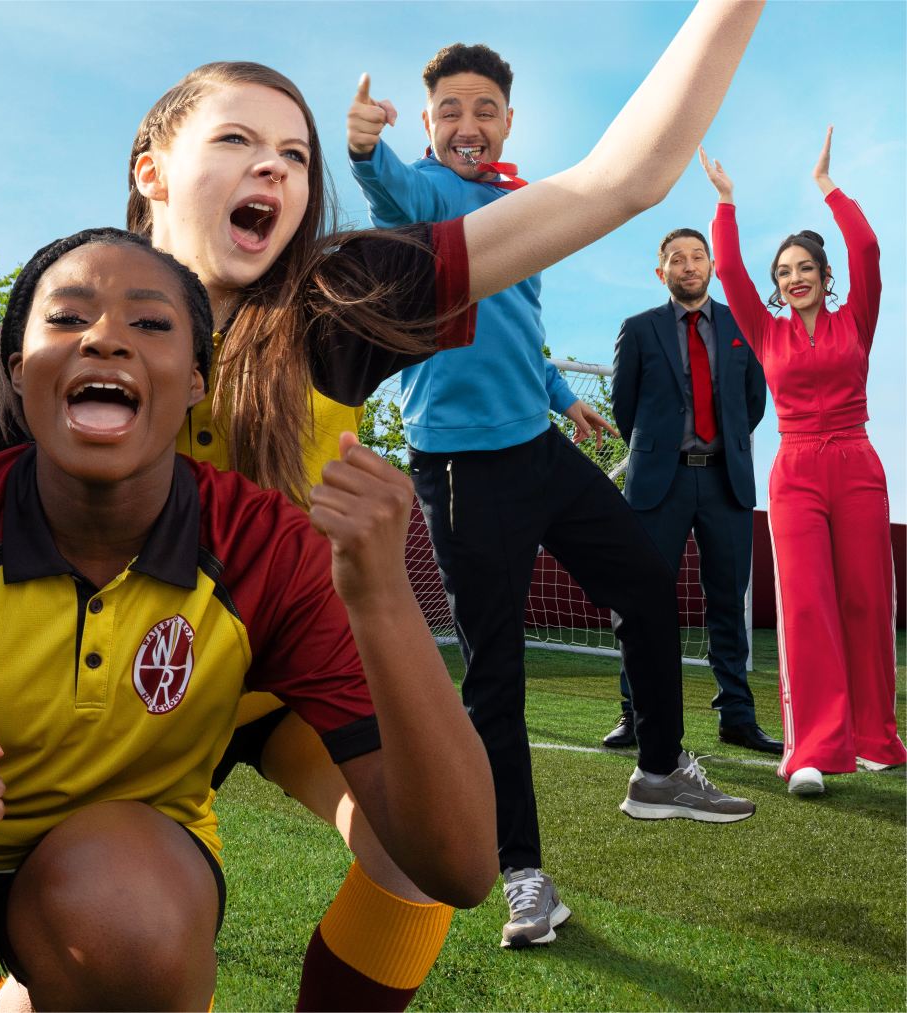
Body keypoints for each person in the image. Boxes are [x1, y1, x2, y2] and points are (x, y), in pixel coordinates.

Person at [0, 228, 497, 1011]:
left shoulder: (264, 547)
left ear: (196, 384)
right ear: (18, 372)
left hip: (120, 878)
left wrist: (384, 597)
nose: (106, 338)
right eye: (68, 319)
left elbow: (461, 864)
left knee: (122, 916)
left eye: (149, 323)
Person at [344, 27, 760, 950]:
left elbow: (517, 325)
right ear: (428, 123)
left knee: (650, 588)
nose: (467, 123)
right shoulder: (423, 195)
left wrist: (560, 397)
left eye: (483, 110)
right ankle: (523, 876)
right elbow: (390, 189)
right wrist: (365, 149)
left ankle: (658, 770)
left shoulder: (516, 202)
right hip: (460, 471)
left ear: (506, 123)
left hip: (540, 449)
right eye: (449, 110)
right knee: (498, 676)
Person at [702, 128, 906, 795]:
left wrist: (828, 187)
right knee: (809, 606)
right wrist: (726, 202)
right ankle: (812, 748)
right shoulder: (766, 332)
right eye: (784, 272)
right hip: (795, 472)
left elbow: (870, 247)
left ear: (825, 276)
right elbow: (727, 270)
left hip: (856, 463)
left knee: (868, 598)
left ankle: (876, 736)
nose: (792, 278)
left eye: (803, 269)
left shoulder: (858, 320)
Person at [603, 226, 778, 755]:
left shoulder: (742, 327)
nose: (688, 265)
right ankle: (635, 713)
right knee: (642, 599)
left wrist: (718, 444)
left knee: (727, 600)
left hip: (725, 480)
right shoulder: (637, 329)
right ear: (662, 273)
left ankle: (737, 717)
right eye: (676, 258)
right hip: (660, 482)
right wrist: (662, 450)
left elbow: (753, 403)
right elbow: (624, 408)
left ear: (710, 266)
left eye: (697, 256)